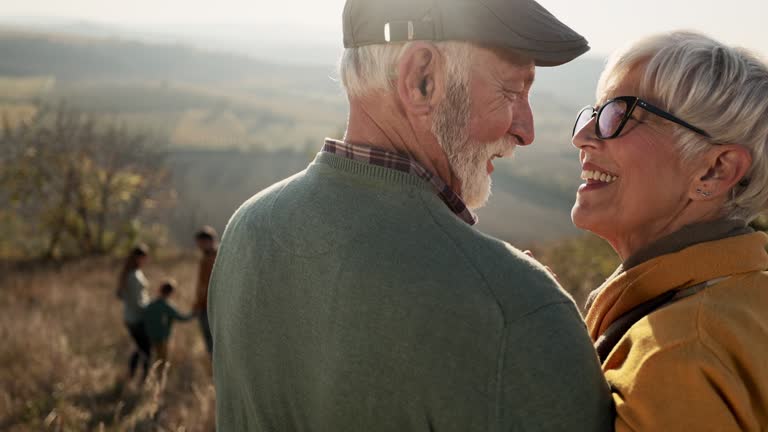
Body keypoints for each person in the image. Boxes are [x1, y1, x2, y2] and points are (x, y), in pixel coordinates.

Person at [208, 0, 613, 430]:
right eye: (512, 91)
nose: (526, 130)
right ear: (422, 79)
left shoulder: (246, 232)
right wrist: (516, 306)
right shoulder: (515, 309)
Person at [571, 31, 768, 430]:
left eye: (620, 113)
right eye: (594, 113)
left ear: (716, 170)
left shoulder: (673, 354)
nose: (582, 137)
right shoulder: (742, 304)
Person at [143, 279, 194, 374]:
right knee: (162, 361)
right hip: (163, 338)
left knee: (150, 358)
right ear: (170, 292)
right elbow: (182, 318)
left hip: (149, 336)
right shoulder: (167, 306)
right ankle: (158, 380)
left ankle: (148, 377)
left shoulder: (150, 305)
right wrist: (194, 313)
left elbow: (144, 318)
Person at [116, 244, 151, 381]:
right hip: (137, 318)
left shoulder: (131, 273)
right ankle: (144, 378)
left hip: (130, 317)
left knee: (140, 348)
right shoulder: (134, 276)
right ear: (138, 257)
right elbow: (138, 302)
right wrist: (152, 309)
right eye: (145, 257)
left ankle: (131, 375)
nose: (147, 260)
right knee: (146, 350)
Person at [193, 226, 217, 357]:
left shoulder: (211, 259)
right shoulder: (208, 257)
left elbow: (204, 287)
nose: (199, 246)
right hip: (208, 306)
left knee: (213, 345)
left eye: (201, 242)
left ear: (209, 241)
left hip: (209, 307)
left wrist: (197, 305)